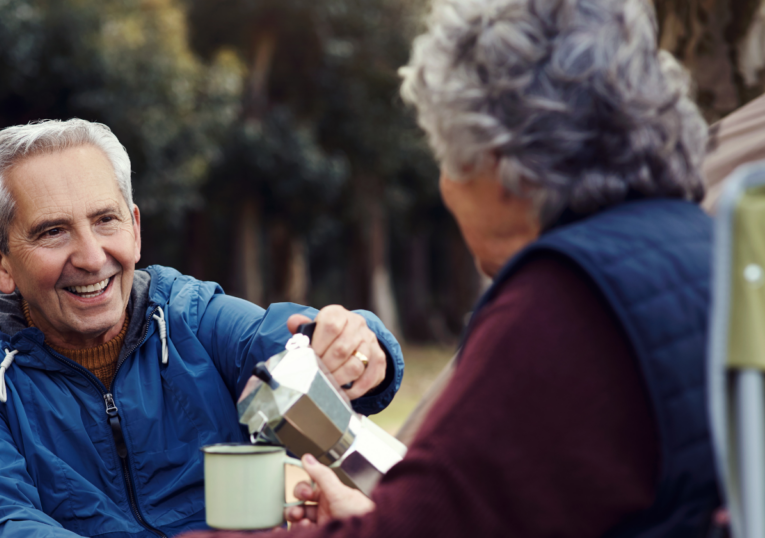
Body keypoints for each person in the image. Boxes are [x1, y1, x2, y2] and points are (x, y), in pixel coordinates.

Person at [185, 0, 720, 537]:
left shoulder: (563, 302)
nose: (444, 187)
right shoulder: (704, 246)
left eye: (445, 157)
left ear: (495, 164)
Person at [0, 119, 405, 538]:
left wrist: (358, 347)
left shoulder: (188, 313)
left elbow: (284, 345)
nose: (90, 257)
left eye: (106, 220)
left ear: (136, 228)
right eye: (52, 232)